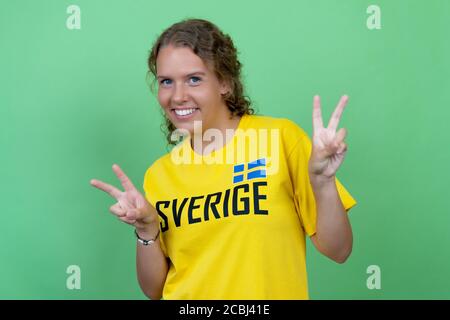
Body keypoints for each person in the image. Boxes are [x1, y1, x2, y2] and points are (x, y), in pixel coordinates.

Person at [90, 18, 357, 300]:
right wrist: (146, 228)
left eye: (194, 79)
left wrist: (322, 182)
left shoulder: (280, 140)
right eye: (166, 82)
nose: (178, 96)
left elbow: (338, 250)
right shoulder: (159, 175)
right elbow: (154, 289)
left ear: (225, 83)